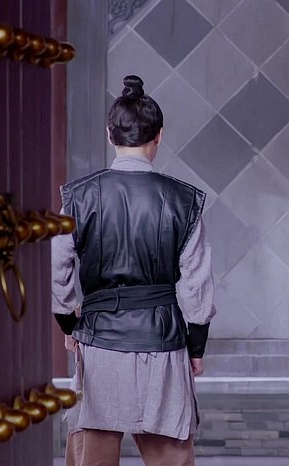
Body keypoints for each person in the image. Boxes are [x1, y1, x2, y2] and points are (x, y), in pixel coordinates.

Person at [51, 75, 215, 466]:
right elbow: (197, 284)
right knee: (171, 455)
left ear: (110, 135)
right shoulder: (183, 200)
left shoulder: (78, 196)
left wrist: (69, 324)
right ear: (159, 136)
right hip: (163, 340)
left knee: (93, 453)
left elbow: (59, 268)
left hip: (99, 339)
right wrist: (196, 348)